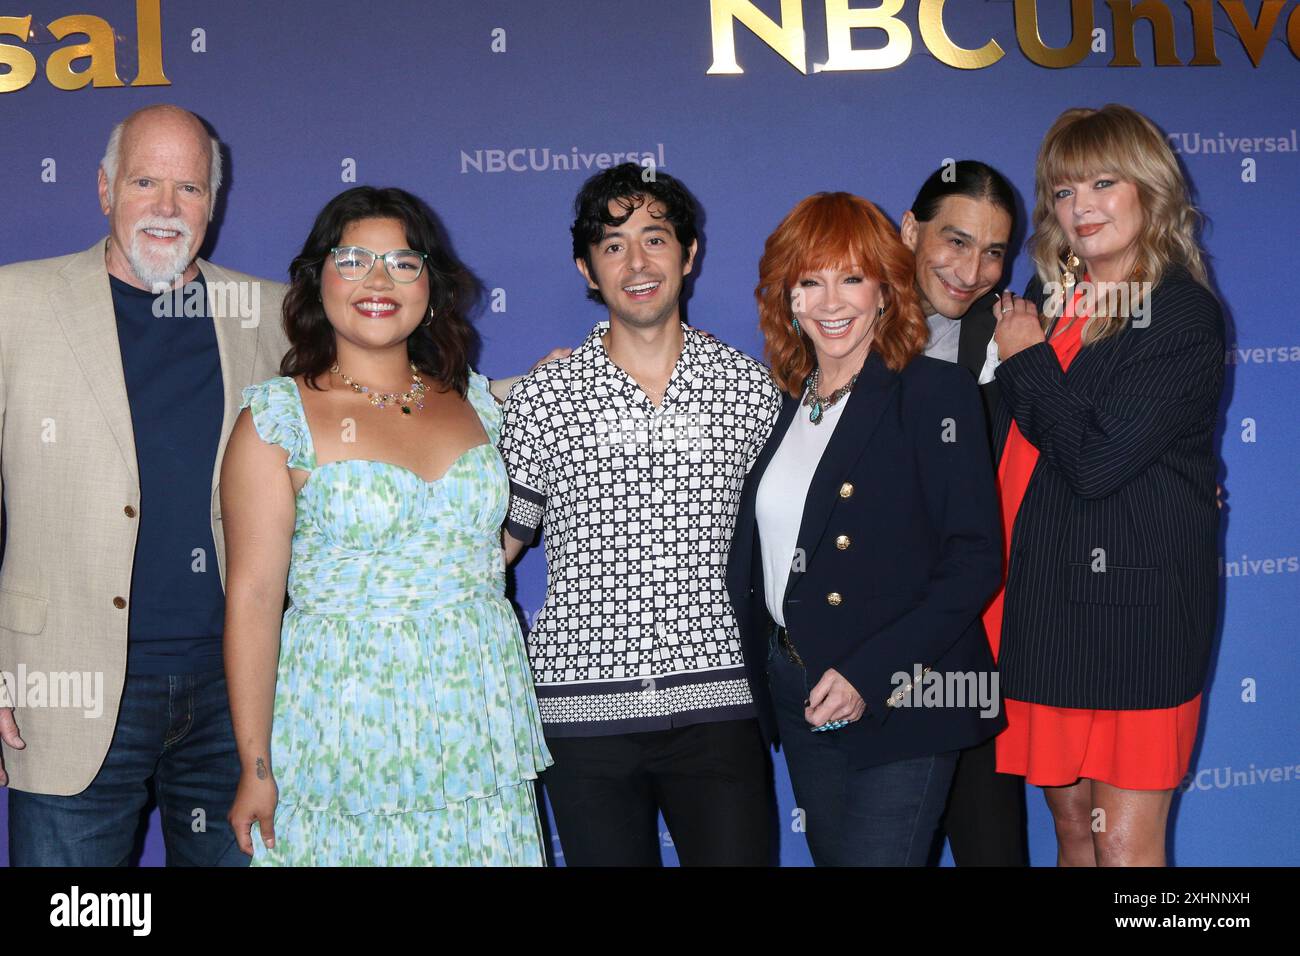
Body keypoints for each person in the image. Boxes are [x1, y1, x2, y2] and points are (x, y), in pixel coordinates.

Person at [221, 186, 552, 866]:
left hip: (474, 732)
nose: (379, 281)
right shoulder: (277, 421)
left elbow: (485, 551)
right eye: (354, 260)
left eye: (403, 263)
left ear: (431, 284)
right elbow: (253, 601)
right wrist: (256, 766)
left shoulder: (475, 405)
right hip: (344, 739)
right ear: (319, 279)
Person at [0, 105, 289, 866]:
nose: (166, 207)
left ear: (214, 203)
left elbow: (389, 399)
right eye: (144, 181)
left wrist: (535, 386)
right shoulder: (14, 304)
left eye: (189, 187)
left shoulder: (269, 313)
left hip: (239, 698)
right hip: (61, 690)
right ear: (103, 189)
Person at [499, 164, 782, 866]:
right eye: (613, 245)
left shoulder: (747, 389)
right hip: (579, 715)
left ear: (689, 254)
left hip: (717, 701)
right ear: (587, 270)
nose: (637, 262)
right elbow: (501, 543)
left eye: (655, 239)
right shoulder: (546, 398)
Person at [727, 192, 1004, 866]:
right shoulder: (786, 404)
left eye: (852, 278)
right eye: (810, 281)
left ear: (885, 289)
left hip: (902, 696)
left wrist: (870, 674)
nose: (831, 301)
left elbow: (974, 560)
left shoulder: (933, 392)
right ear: (786, 297)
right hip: (799, 691)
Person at [987, 104, 1225, 866]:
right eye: (1062, 190)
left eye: (1101, 181)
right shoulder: (1048, 296)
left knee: (1122, 845)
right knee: (1072, 831)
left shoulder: (1179, 310)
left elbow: (1094, 461)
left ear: (1150, 190)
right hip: (1043, 602)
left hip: (1136, 615)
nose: (1080, 206)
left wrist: (1025, 356)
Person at [900, 161, 1029, 866]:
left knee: (993, 847)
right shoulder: (841, 320)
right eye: (955, 242)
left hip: (968, 643)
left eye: (993, 251)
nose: (972, 269)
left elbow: (1087, 434)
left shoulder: (1011, 332)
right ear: (910, 230)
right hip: (864, 651)